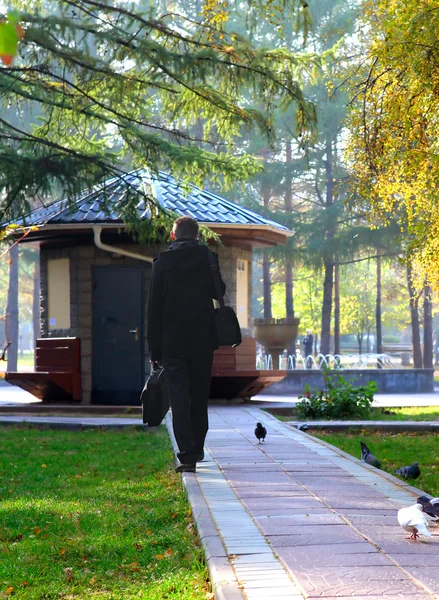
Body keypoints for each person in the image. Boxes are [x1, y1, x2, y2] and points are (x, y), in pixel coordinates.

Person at [146, 215, 226, 473]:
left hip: (172, 342)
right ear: (197, 236)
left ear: (173, 236)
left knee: (179, 397)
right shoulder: (207, 257)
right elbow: (219, 292)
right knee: (199, 396)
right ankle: (199, 446)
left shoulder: (162, 263)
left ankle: (188, 455)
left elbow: (153, 310)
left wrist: (154, 350)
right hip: (203, 339)